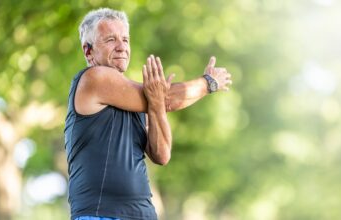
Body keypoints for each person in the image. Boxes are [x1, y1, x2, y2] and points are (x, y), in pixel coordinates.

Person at [64, 8, 232, 220]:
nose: (122, 47)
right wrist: (207, 83)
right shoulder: (94, 78)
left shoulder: (136, 100)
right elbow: (168, 98)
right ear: (88, 51)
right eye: (111, 40)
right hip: (101, 214)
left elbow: (161, 154)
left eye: (125, 39)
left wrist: (157, 105)